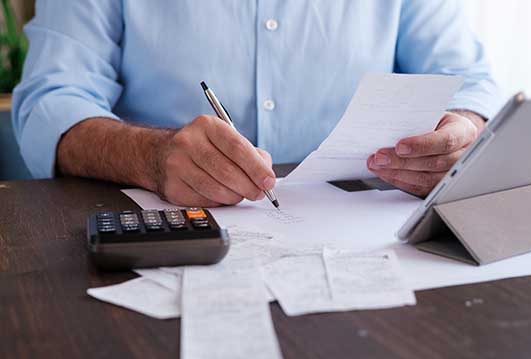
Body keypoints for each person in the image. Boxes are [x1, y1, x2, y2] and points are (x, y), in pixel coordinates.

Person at [12, 0, 501, 206]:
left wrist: (461, 131)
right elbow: (51, 102)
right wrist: (151, 156)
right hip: (169, 233)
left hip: (371, 236)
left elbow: (471, 85)